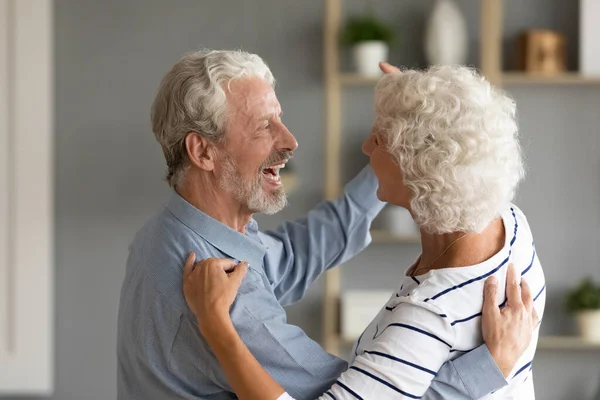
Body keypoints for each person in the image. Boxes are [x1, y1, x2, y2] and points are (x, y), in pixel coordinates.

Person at [117, 50, 538, 400]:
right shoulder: (227, 298)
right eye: (265, 126)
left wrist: (416, 137)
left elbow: (301, 253)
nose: (290, 141)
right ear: (203, 152)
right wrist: (489, 368)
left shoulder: (174, 233)